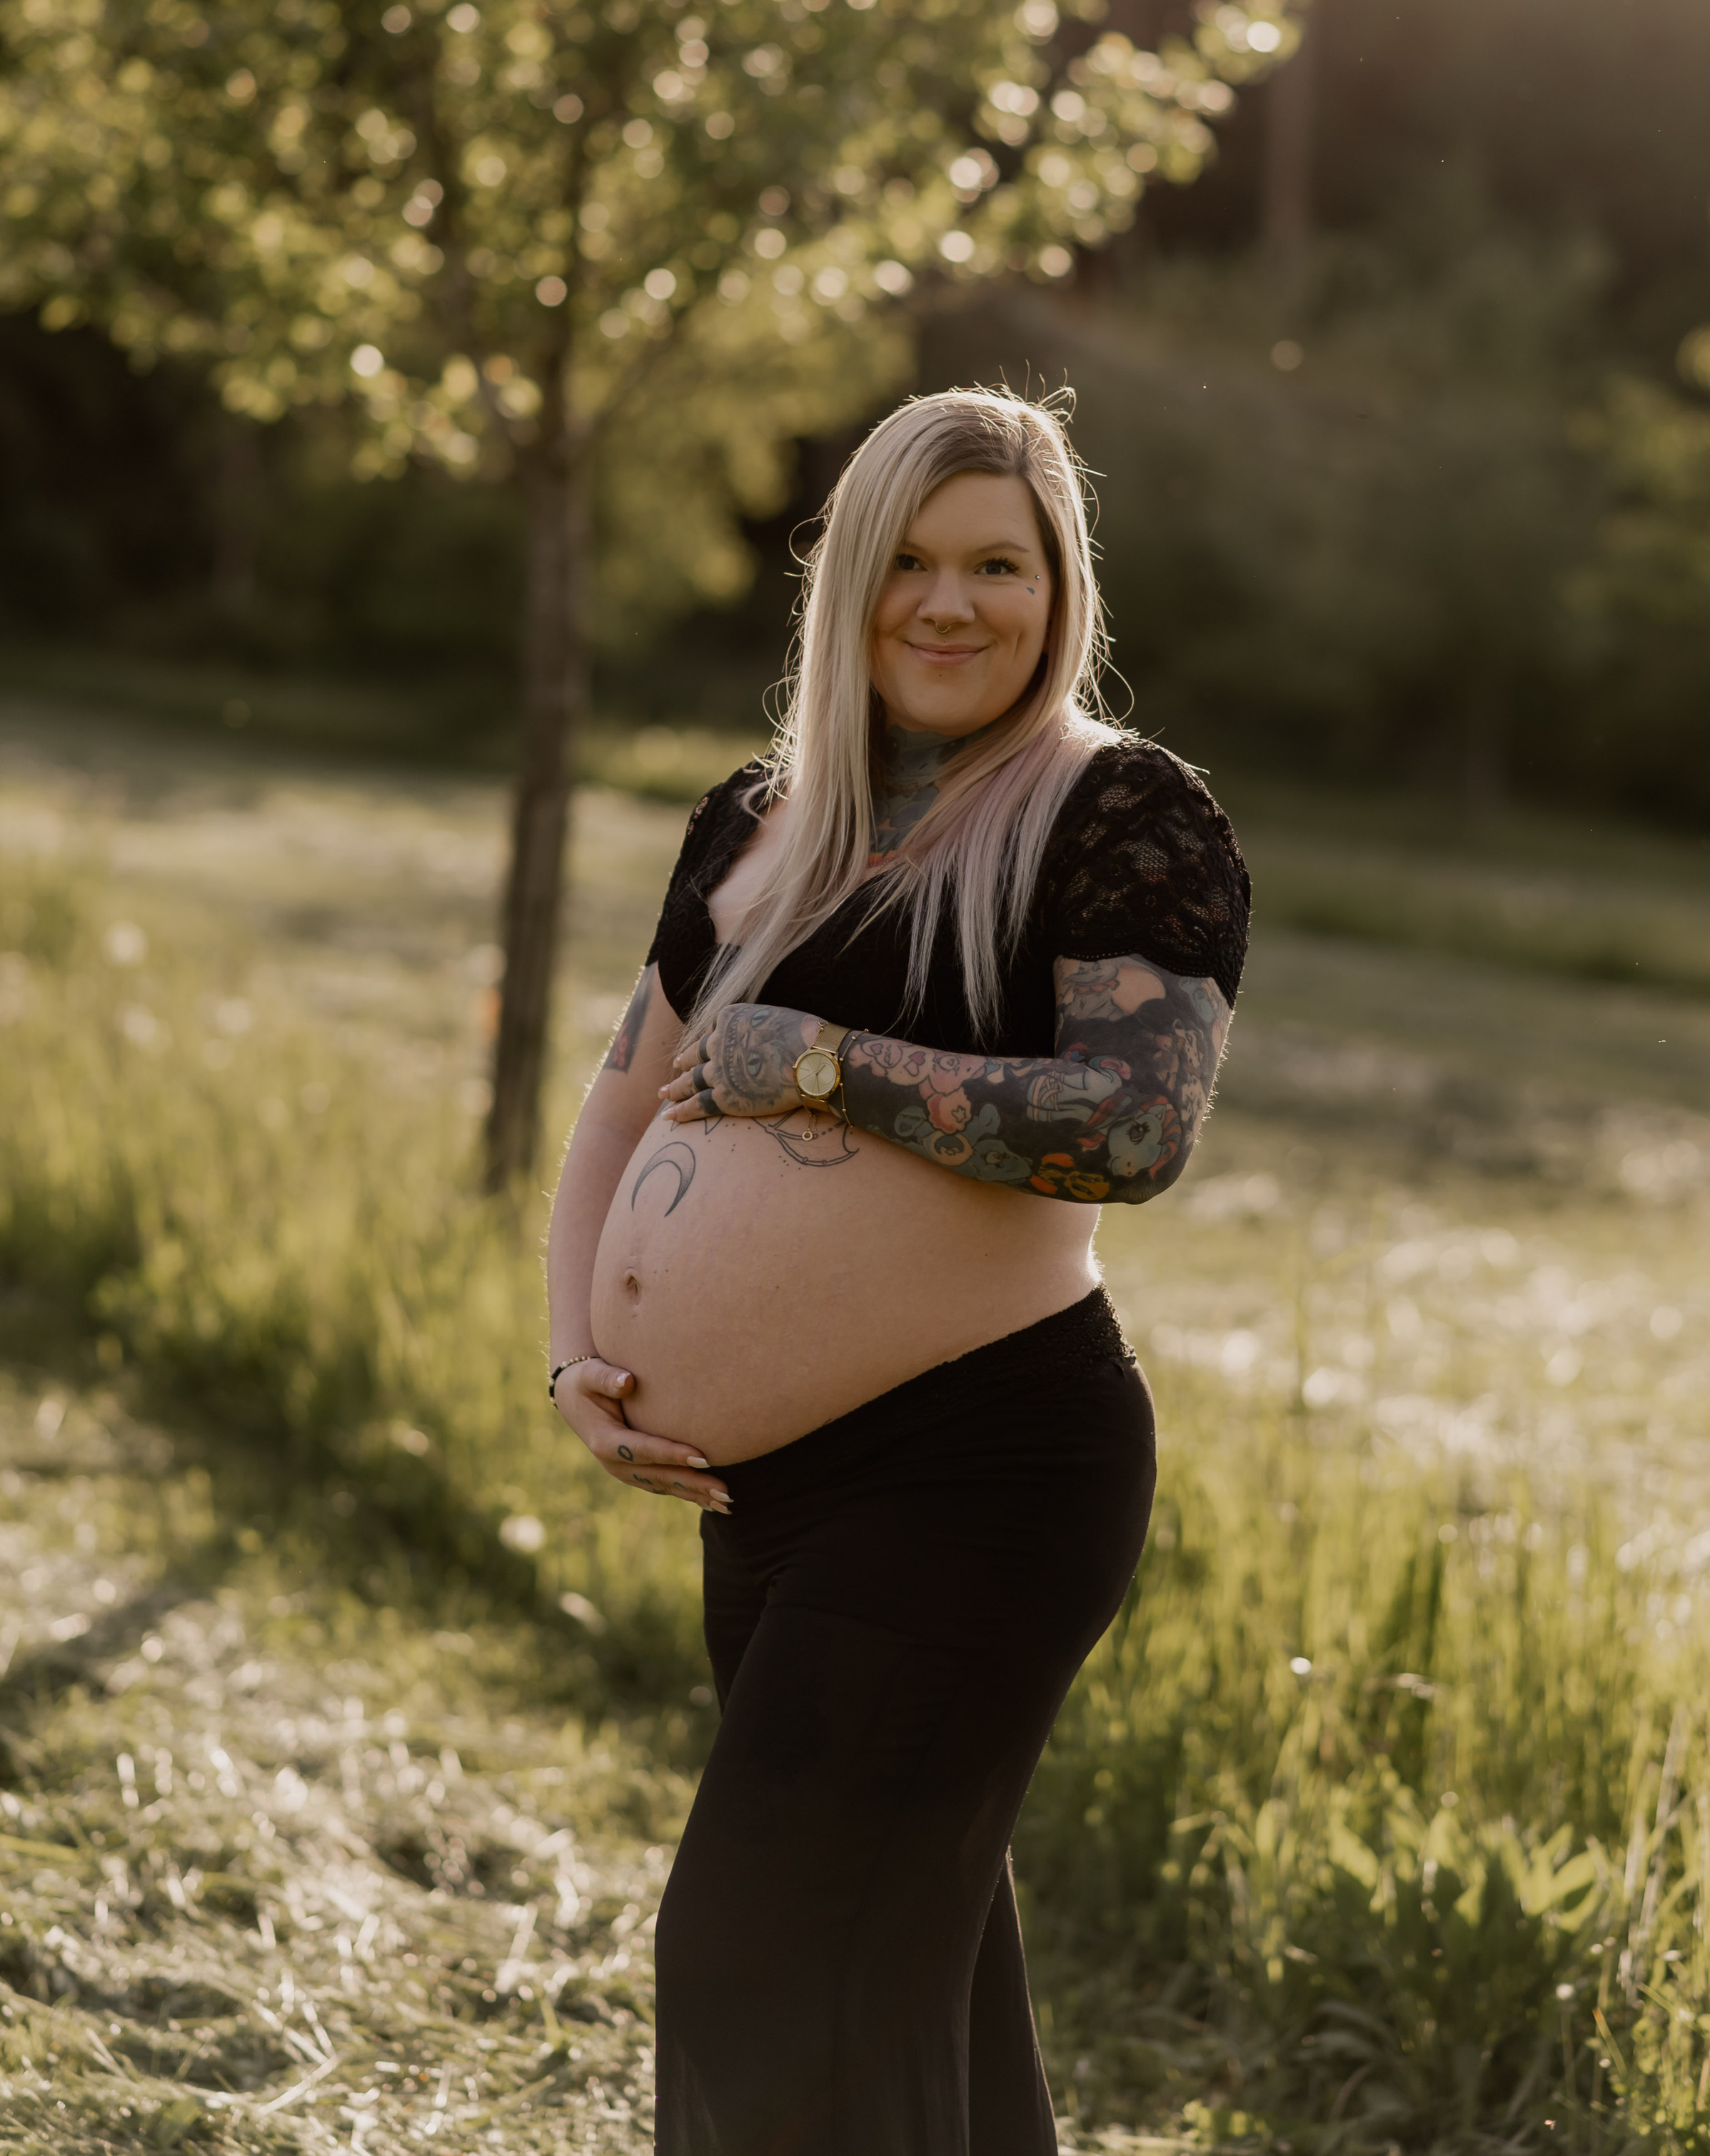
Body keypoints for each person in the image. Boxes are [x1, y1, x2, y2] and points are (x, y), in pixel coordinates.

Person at [545, 386, 1249, 2155]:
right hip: (760, 1498)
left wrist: (823, 1062)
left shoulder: (1114, 813)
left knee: (762, 1961)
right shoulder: (754, 826)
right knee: (902, 1985)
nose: (950, 604)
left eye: (997, 564)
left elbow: (1131, 1127)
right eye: (910, 563)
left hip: (979, 1470)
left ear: (1057, 585)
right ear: (848, 582)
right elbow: (619, 1105)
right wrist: (578, 1354)